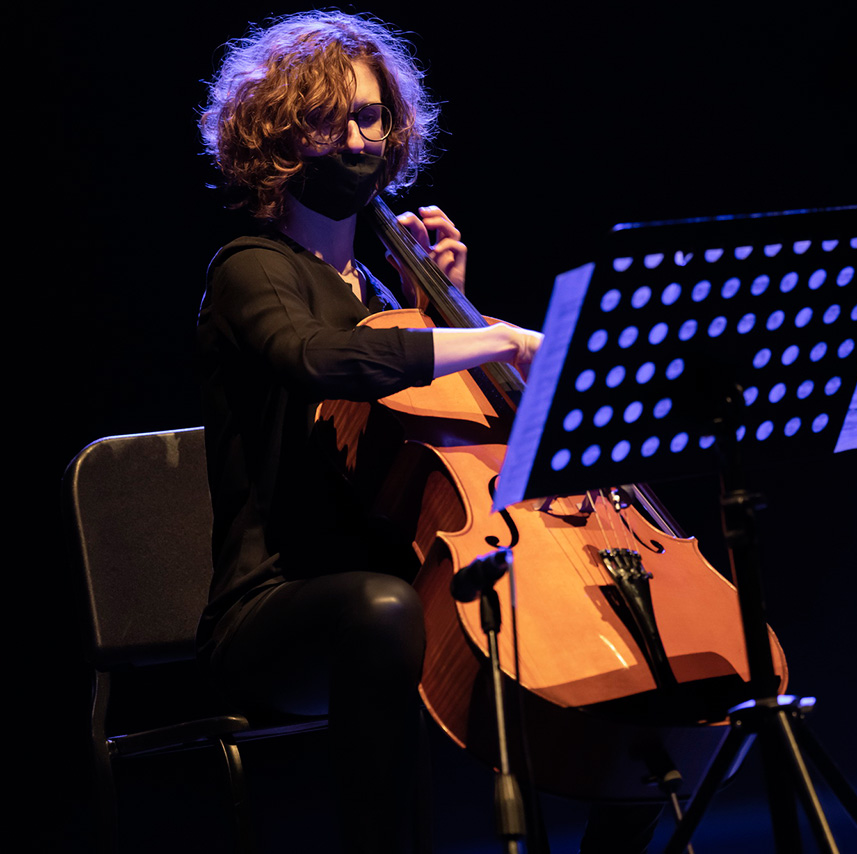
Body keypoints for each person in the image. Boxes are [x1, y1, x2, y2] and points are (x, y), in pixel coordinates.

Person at [194, 11, 639, 853]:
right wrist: (495, 337)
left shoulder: (384, 287)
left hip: (407, 580)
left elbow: (471, 435)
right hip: (279, 605)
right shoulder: (250, 268)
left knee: (609, 613)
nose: (356, 140)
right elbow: (319, 357)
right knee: (383, 605)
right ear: (276, 136)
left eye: (371, 118)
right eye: (328, 120)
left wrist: (450, 302)